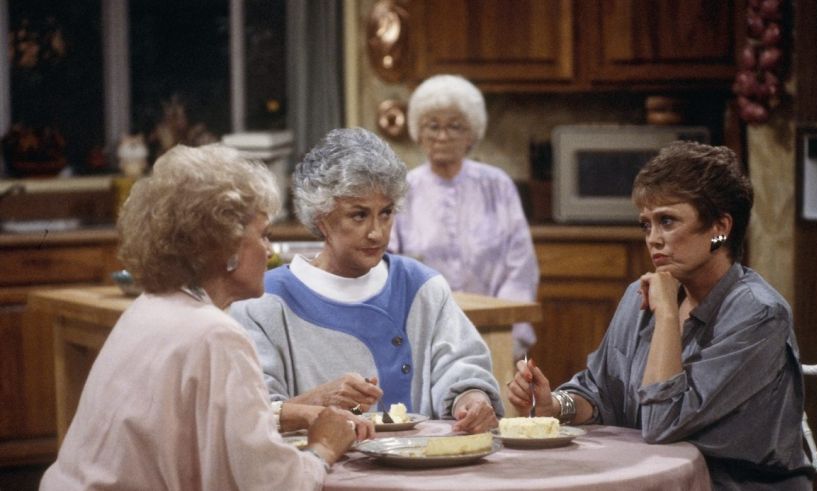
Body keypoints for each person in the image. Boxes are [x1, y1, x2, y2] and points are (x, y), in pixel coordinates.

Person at [40, 144, 373, 490]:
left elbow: (193, 424)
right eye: (263, 235)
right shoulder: (214, 333)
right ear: (226, 246)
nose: (270, 252)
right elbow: (269, 484)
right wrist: (324, 448)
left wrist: (286, 415)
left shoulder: (152, 306)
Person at [507, 141, 812, 490]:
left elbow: (661, 423)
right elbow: (600, 391)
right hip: (654, 477)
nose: (653, 239)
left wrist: (667, 317)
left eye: (667, 221)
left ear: (719, 229)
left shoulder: (758, 315)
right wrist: (555, 406)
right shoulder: (642, 297)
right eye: (646, 225)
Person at [230, 127, 503, 434]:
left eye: (385, 213)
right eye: (359, 215)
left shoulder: (420, 286)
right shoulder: (264, 301)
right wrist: (317, 401)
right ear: (321, 217)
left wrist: (473, 400)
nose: (377, 232)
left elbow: (462, 369)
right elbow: (253, 417)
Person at [388, 74, 540, 361]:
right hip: (422, 336)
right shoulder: (402, 190)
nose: (442, 136)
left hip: (494, 332)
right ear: (418, 133)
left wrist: (507, 329)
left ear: (472, 133)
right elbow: (390, 265)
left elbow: (520, 267)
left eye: (454, 126)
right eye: (433, 126)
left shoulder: (497, 185)